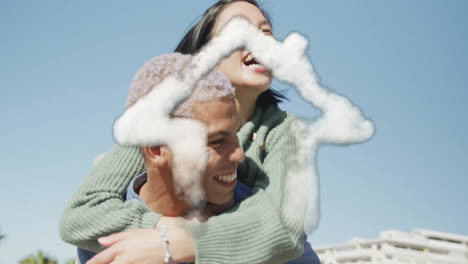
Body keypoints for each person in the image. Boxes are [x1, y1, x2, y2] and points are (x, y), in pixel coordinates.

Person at [60, 1, 317, 263]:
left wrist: (184, 242)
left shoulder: (284, 130)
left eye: (267, 33)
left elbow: (285, 228)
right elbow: (83, 213)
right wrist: (162, 228)